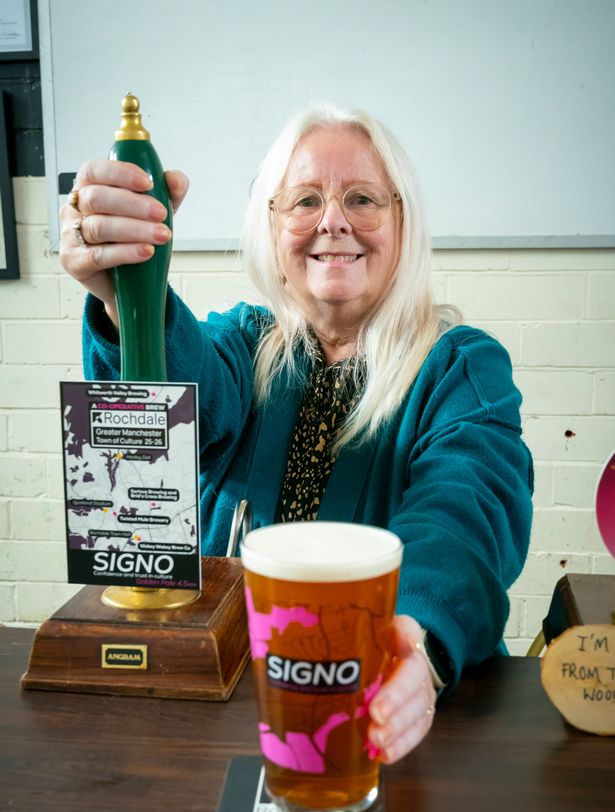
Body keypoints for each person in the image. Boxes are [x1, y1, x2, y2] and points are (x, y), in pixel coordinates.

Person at [59, 102, 533, 766]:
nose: (333, 220)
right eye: (305, 199)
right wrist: (124, 298)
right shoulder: (243, 342)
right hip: (226, 714)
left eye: (361, 198)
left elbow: (464, 511)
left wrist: (413, 646)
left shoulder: (459, 367)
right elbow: (171, 387)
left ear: (403, 225)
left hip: (384, 718)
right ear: (272, 231)